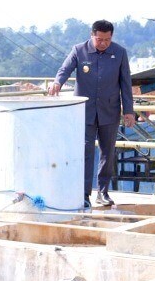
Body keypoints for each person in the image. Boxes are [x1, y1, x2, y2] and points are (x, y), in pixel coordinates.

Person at [49, 19, 136, 207]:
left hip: (109, 111)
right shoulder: (79, 50)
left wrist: (128, 111)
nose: (103, 43)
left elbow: (125, 83)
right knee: (85, 152)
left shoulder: (120, 53)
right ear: (92, 35)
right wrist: (58, 82)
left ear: (111, 37)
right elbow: (64, 70)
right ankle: (83, 194)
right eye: (99, 39)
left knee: (108, 152)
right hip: (84, 112)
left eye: (107, 39)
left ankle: (103, 192)